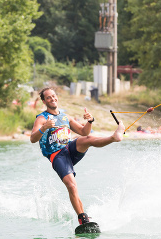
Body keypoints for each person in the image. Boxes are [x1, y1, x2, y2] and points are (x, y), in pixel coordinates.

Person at [30, 87, 125, 226]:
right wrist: (44, 128)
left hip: (69, 150)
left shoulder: (65, 117)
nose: (52, 99)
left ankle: (114, 137)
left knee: (87, 139)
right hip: (57, 156)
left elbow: (83, 131)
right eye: (48, 97)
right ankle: (83, 219)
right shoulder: (42, 118)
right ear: (44, 101)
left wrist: (90, 121)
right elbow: (33, 138)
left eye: (54, 96)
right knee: (71, 185)